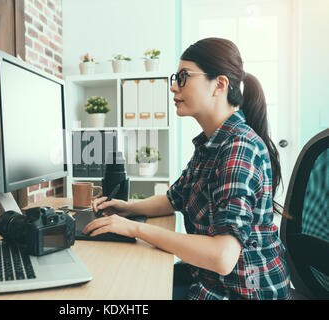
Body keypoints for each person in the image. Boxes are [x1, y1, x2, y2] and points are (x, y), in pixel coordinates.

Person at [83, 38, 293, 300]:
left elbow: (222, 257)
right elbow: (174, 199)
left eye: (183, 77)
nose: (173, 87)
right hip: (209, 279)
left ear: (219, 85)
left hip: (240, 291)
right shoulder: (210, 143)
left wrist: (135, 228)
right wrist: (127, 208)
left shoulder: (239, 148)